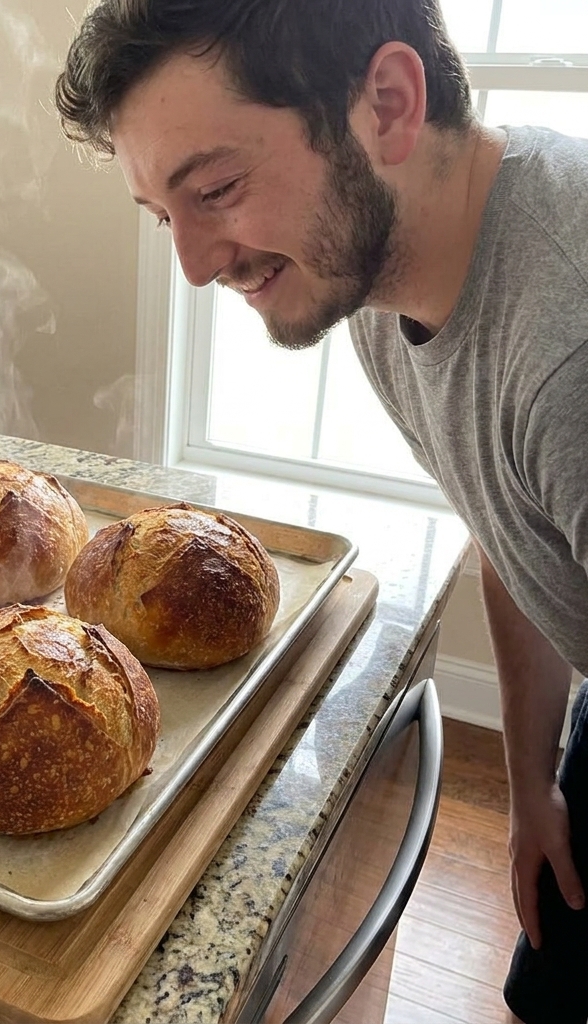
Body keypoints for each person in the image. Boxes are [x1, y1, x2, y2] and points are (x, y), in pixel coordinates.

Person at [54, 2, 588, 1021]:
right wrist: (532, 782)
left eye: (216, 190)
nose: (197, 264)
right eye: (166, 217)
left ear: (388, 104)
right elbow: (507, 527)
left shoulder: (569, 357)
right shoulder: (383, 284)